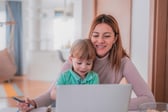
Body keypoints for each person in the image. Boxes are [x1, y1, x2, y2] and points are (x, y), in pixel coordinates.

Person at [17, 14, 155, 111]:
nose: (100, 41)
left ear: (115, 38)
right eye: (95, 35)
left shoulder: (123, 62)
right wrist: (33, 103)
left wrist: (112, 105)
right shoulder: (76, 60)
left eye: (106, 36)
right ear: (90, 36)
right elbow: (52, 94)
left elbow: (149, 100)